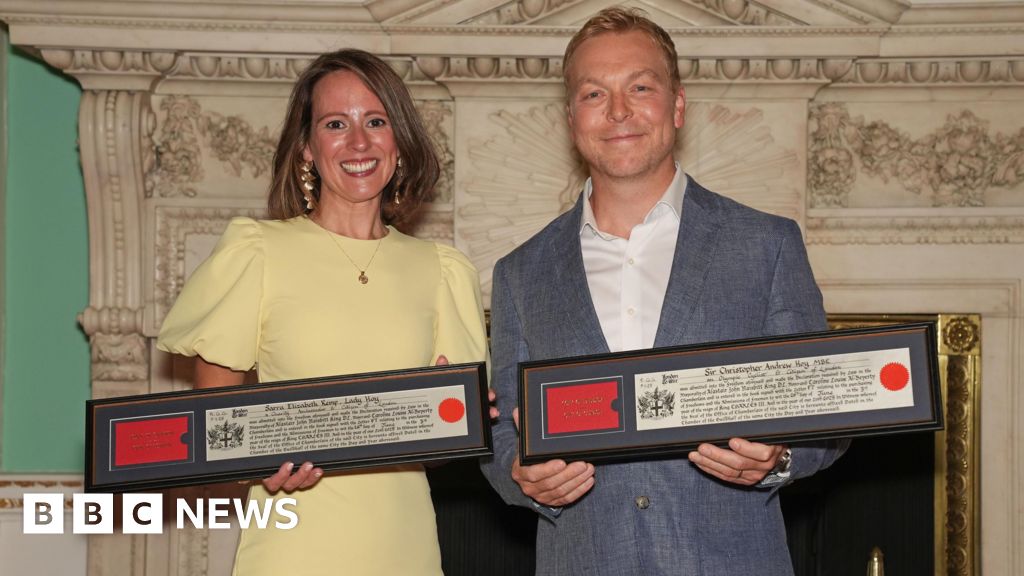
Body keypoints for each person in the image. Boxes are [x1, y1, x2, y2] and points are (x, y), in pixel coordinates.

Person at [480, 7, 848, 576]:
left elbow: (829, 411)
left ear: (677, 105)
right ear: (572, 117)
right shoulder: (520, 274)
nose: (619, 111)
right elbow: (503, 428)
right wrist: (520, 477)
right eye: (594, 94)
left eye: (640, 87)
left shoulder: (767, 244)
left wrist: (781, 459)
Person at [157, 49, 487, 576]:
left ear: (398, 140)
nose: (359, 142)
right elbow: (215, 415)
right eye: (337, 123)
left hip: (405, 547)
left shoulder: (442, 270)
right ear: (307, 148)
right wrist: (262, 464)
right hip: (293, 547)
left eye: (375, 121)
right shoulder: (258, 251)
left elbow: (444, 452)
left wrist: (443, 416)